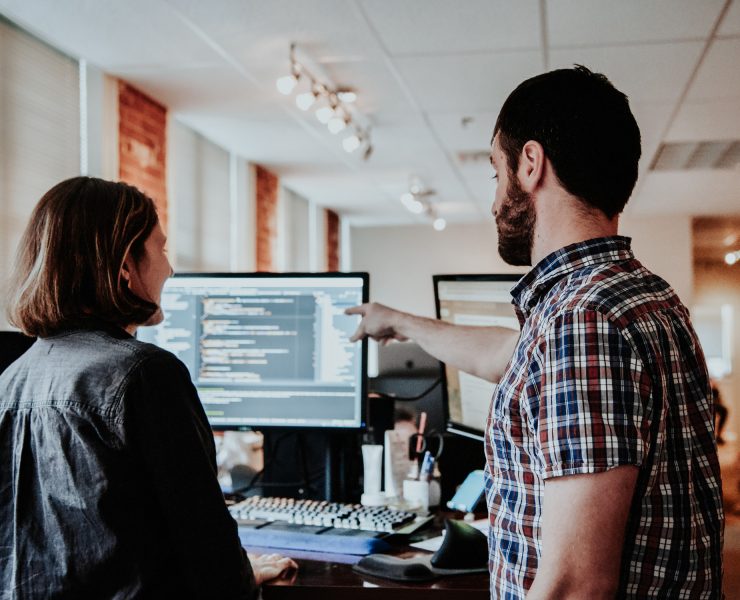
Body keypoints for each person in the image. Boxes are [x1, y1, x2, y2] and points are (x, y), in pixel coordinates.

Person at [348, 66, 723, 598]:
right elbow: (514, 356)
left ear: (530, 163)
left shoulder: (583, 321)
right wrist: (402, 323)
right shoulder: (637, 295)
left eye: (495, 174)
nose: (495, 199)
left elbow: (576, 585)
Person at [0, 177, 296, 598]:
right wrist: (245, 577)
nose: (169, 268)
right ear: (124, 266)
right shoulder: (145, 374)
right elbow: (206, 546)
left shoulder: (10, 380)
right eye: (161, 249)